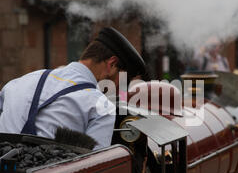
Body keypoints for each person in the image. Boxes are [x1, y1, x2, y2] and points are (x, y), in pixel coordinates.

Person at [0, 27, 146, 150]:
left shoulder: (19, 82)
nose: (117, 87)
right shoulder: (101, 107)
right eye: (121, 80)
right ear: (112, 64)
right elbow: (94, 170)